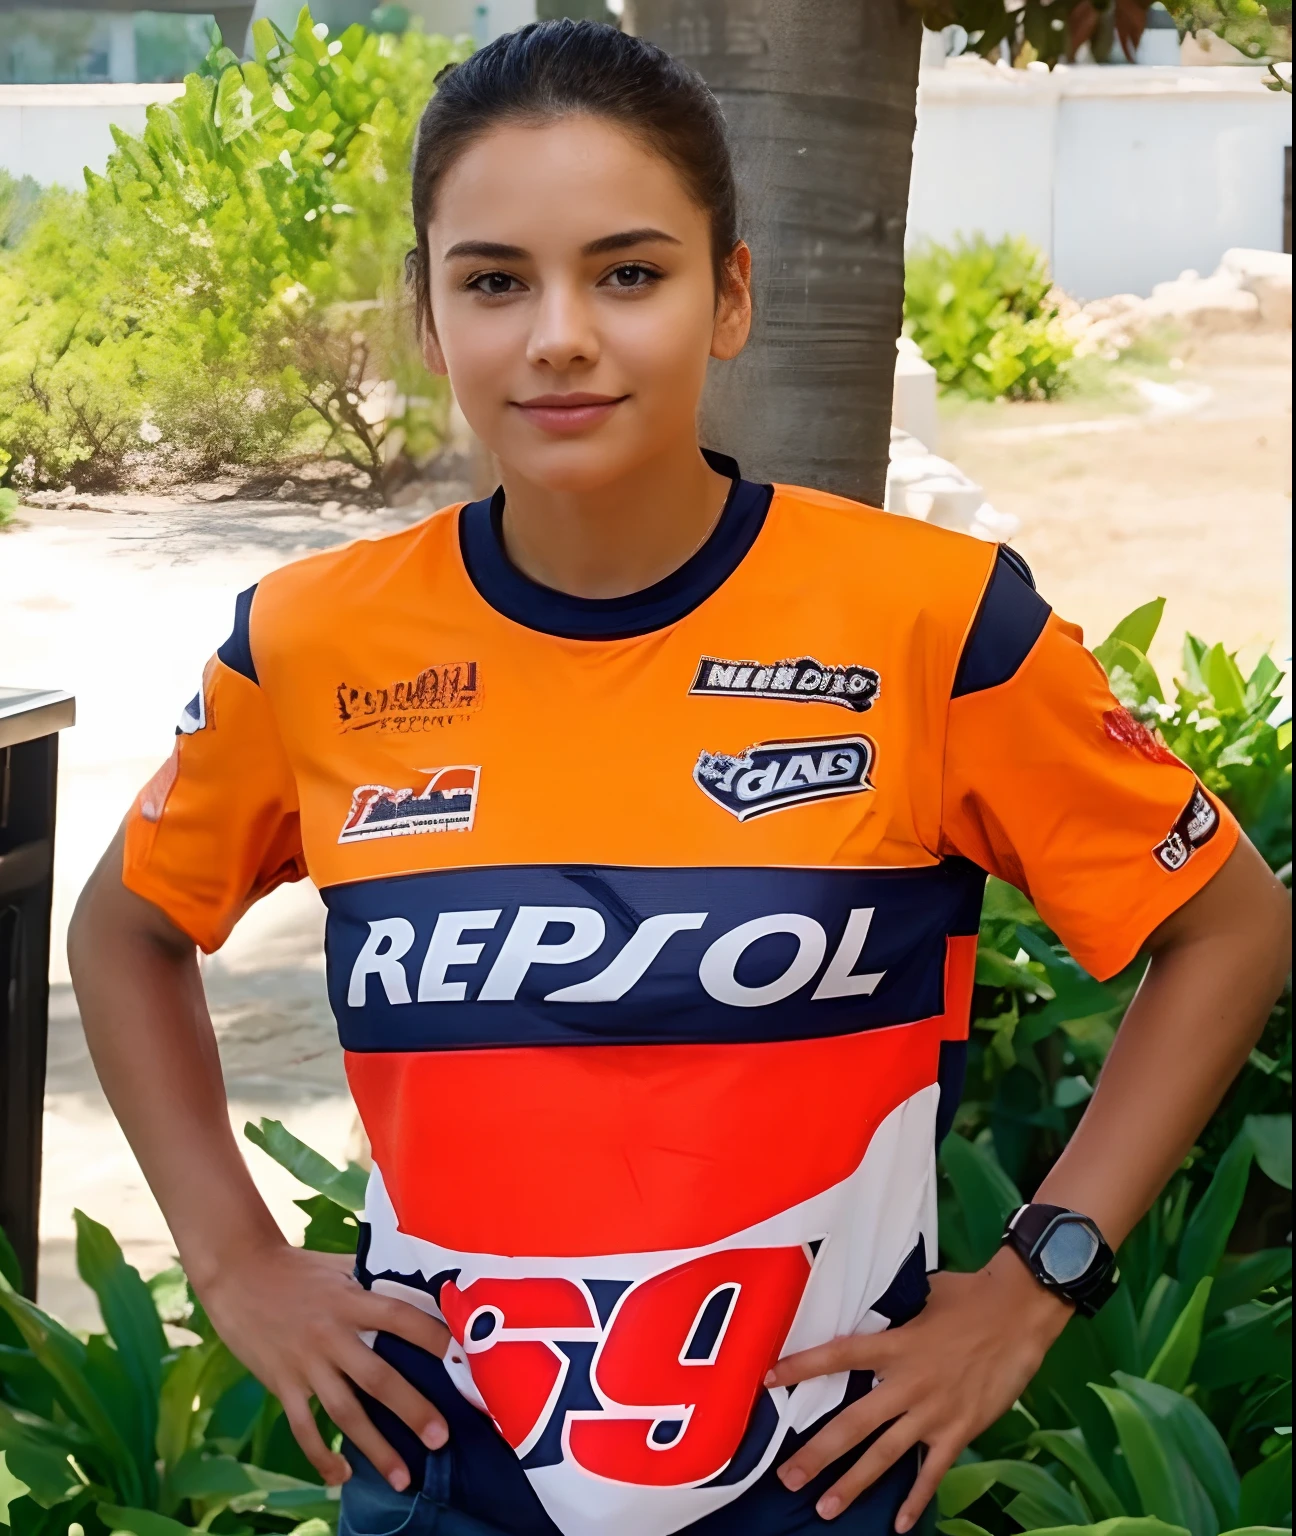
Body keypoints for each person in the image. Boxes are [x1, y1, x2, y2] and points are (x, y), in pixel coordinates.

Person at [69, 19, 1290, 1536]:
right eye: (495, 279)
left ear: (731, 297)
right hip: (444, 1482)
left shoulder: (935, 624)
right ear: (431, 317)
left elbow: (1227, 924)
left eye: (628, 273)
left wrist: (1038, 1283)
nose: (559, 334)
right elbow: (123, 930)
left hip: (817, 1491)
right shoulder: (312, 645)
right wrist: (232, 1257)